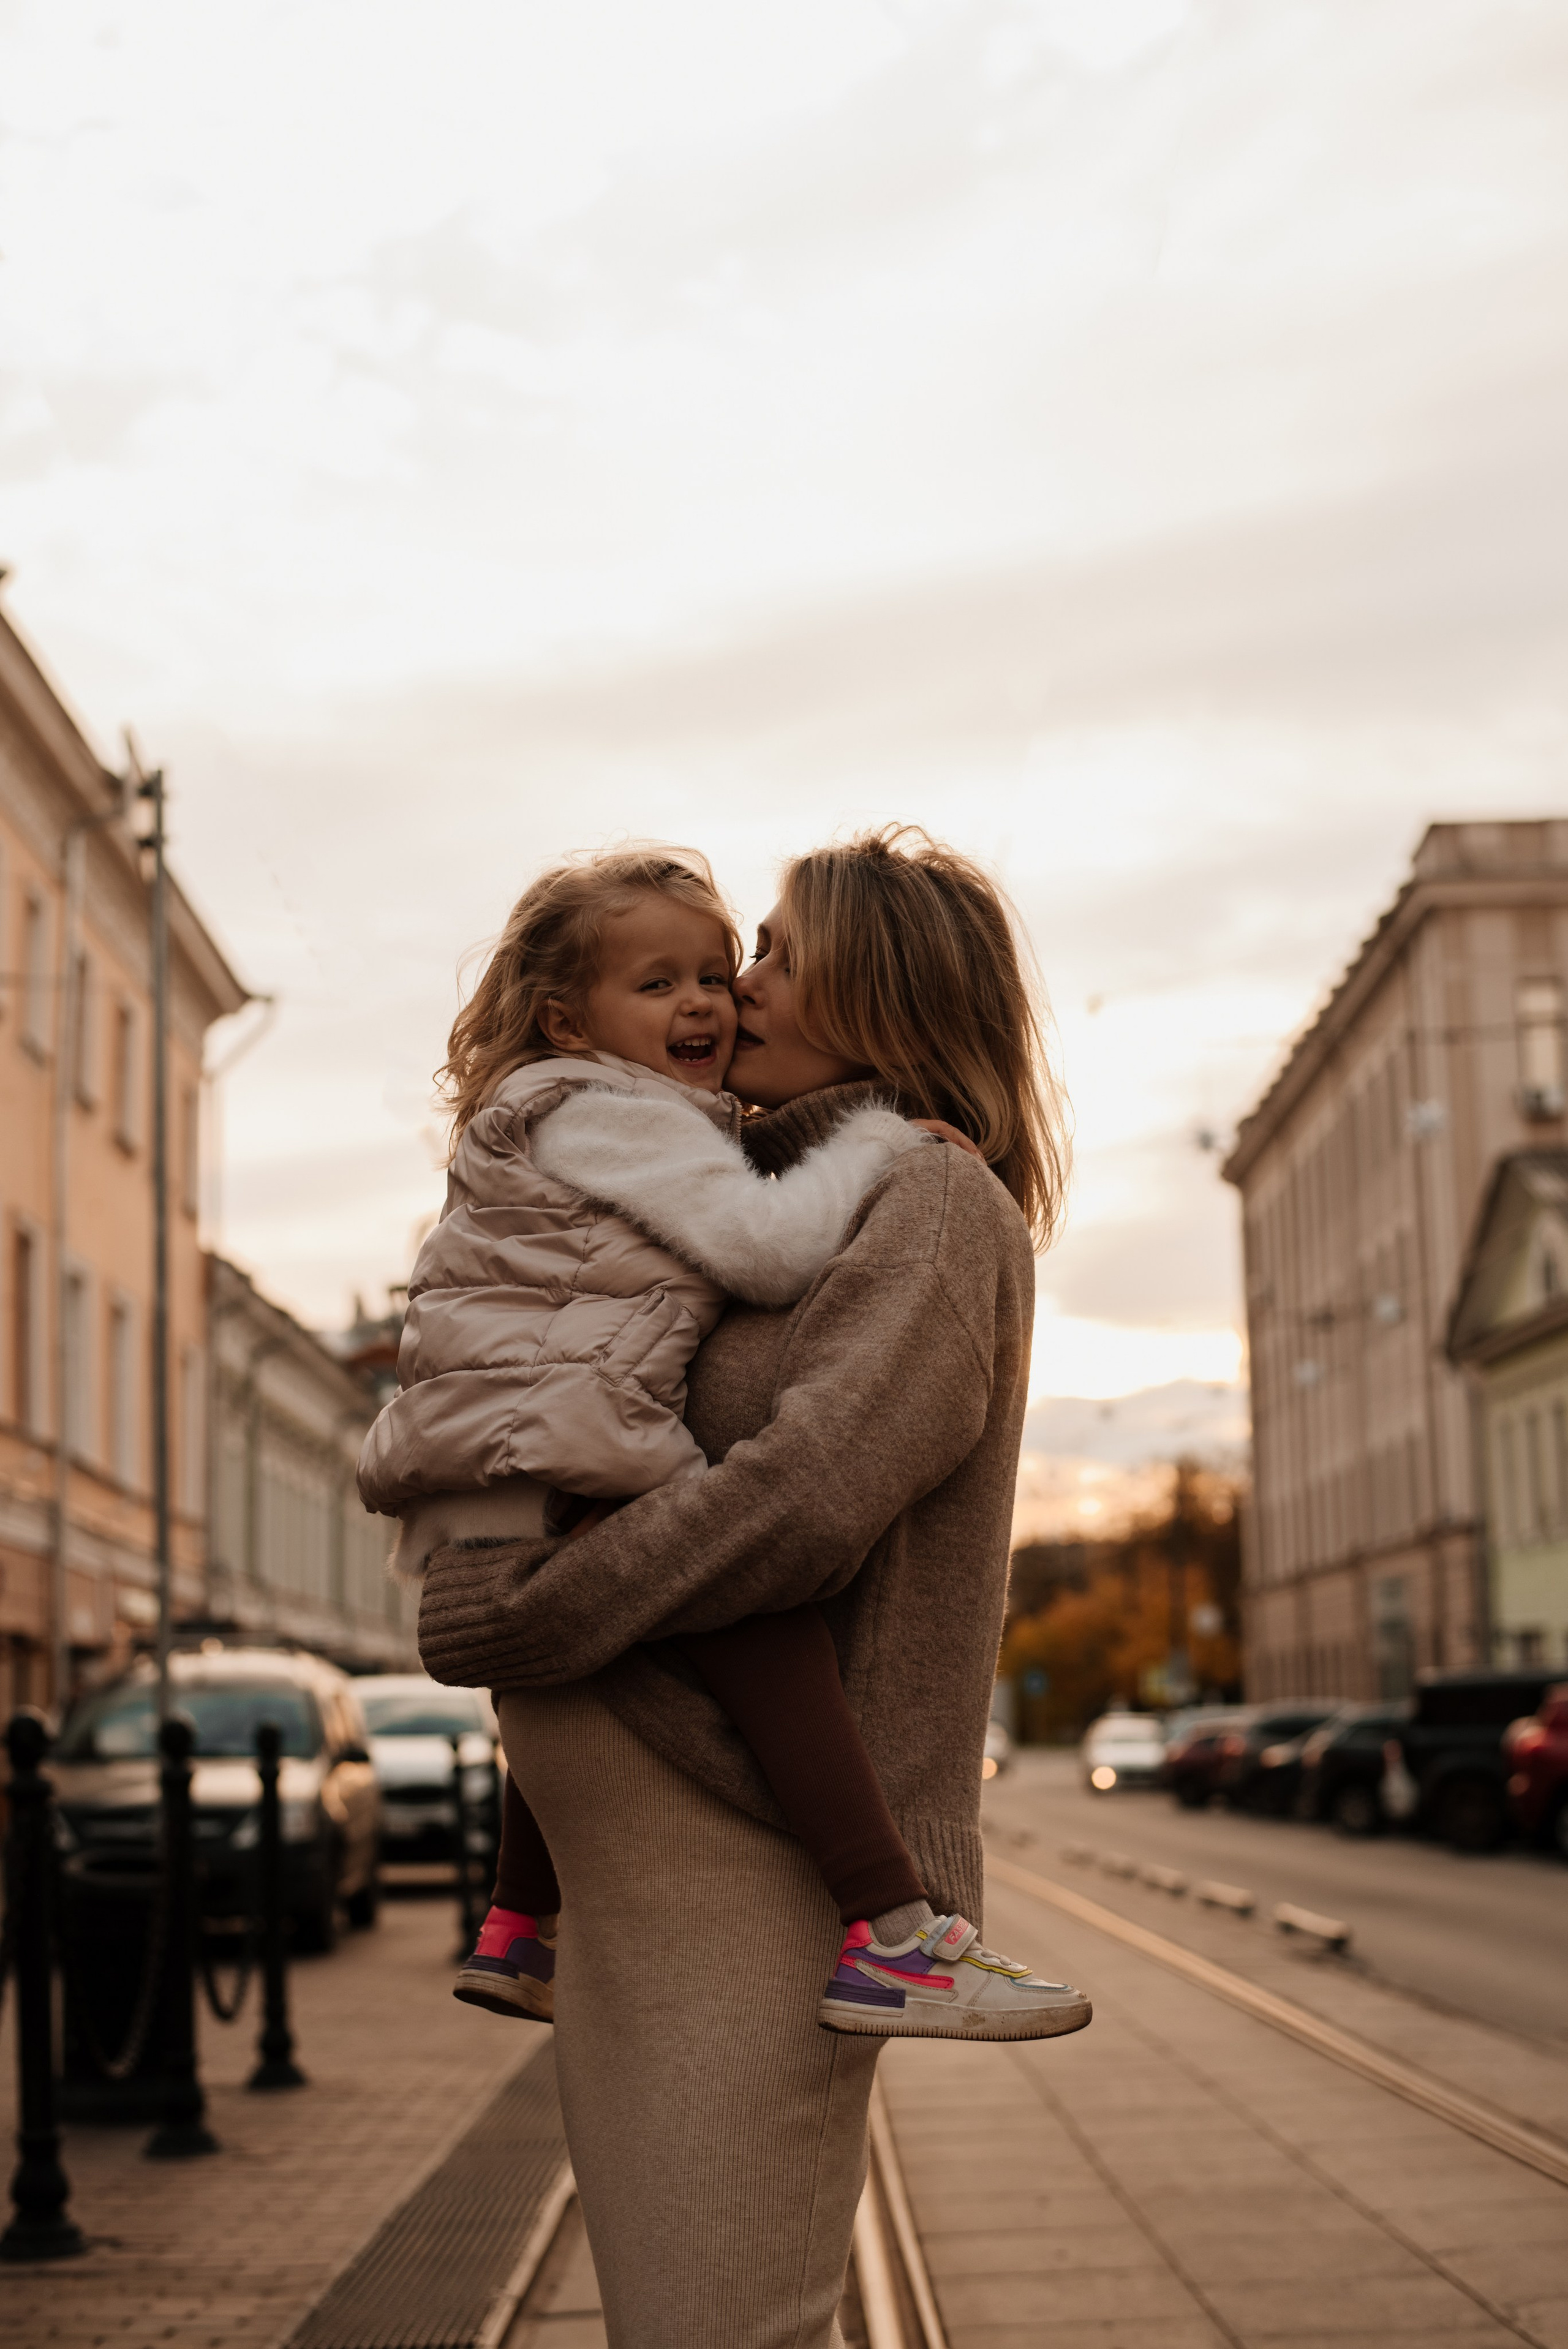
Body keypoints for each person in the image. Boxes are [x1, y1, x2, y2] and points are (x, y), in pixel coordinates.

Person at [420, 826, 1084, 2349]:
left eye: (775, 952)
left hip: (746, 1854)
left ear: (883, 984)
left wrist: (522, 1607)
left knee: (719, 2320)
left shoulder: (924, 1202)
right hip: (638, 1876)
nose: (739, 984)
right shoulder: (718, 1182)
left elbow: (801, 1506)